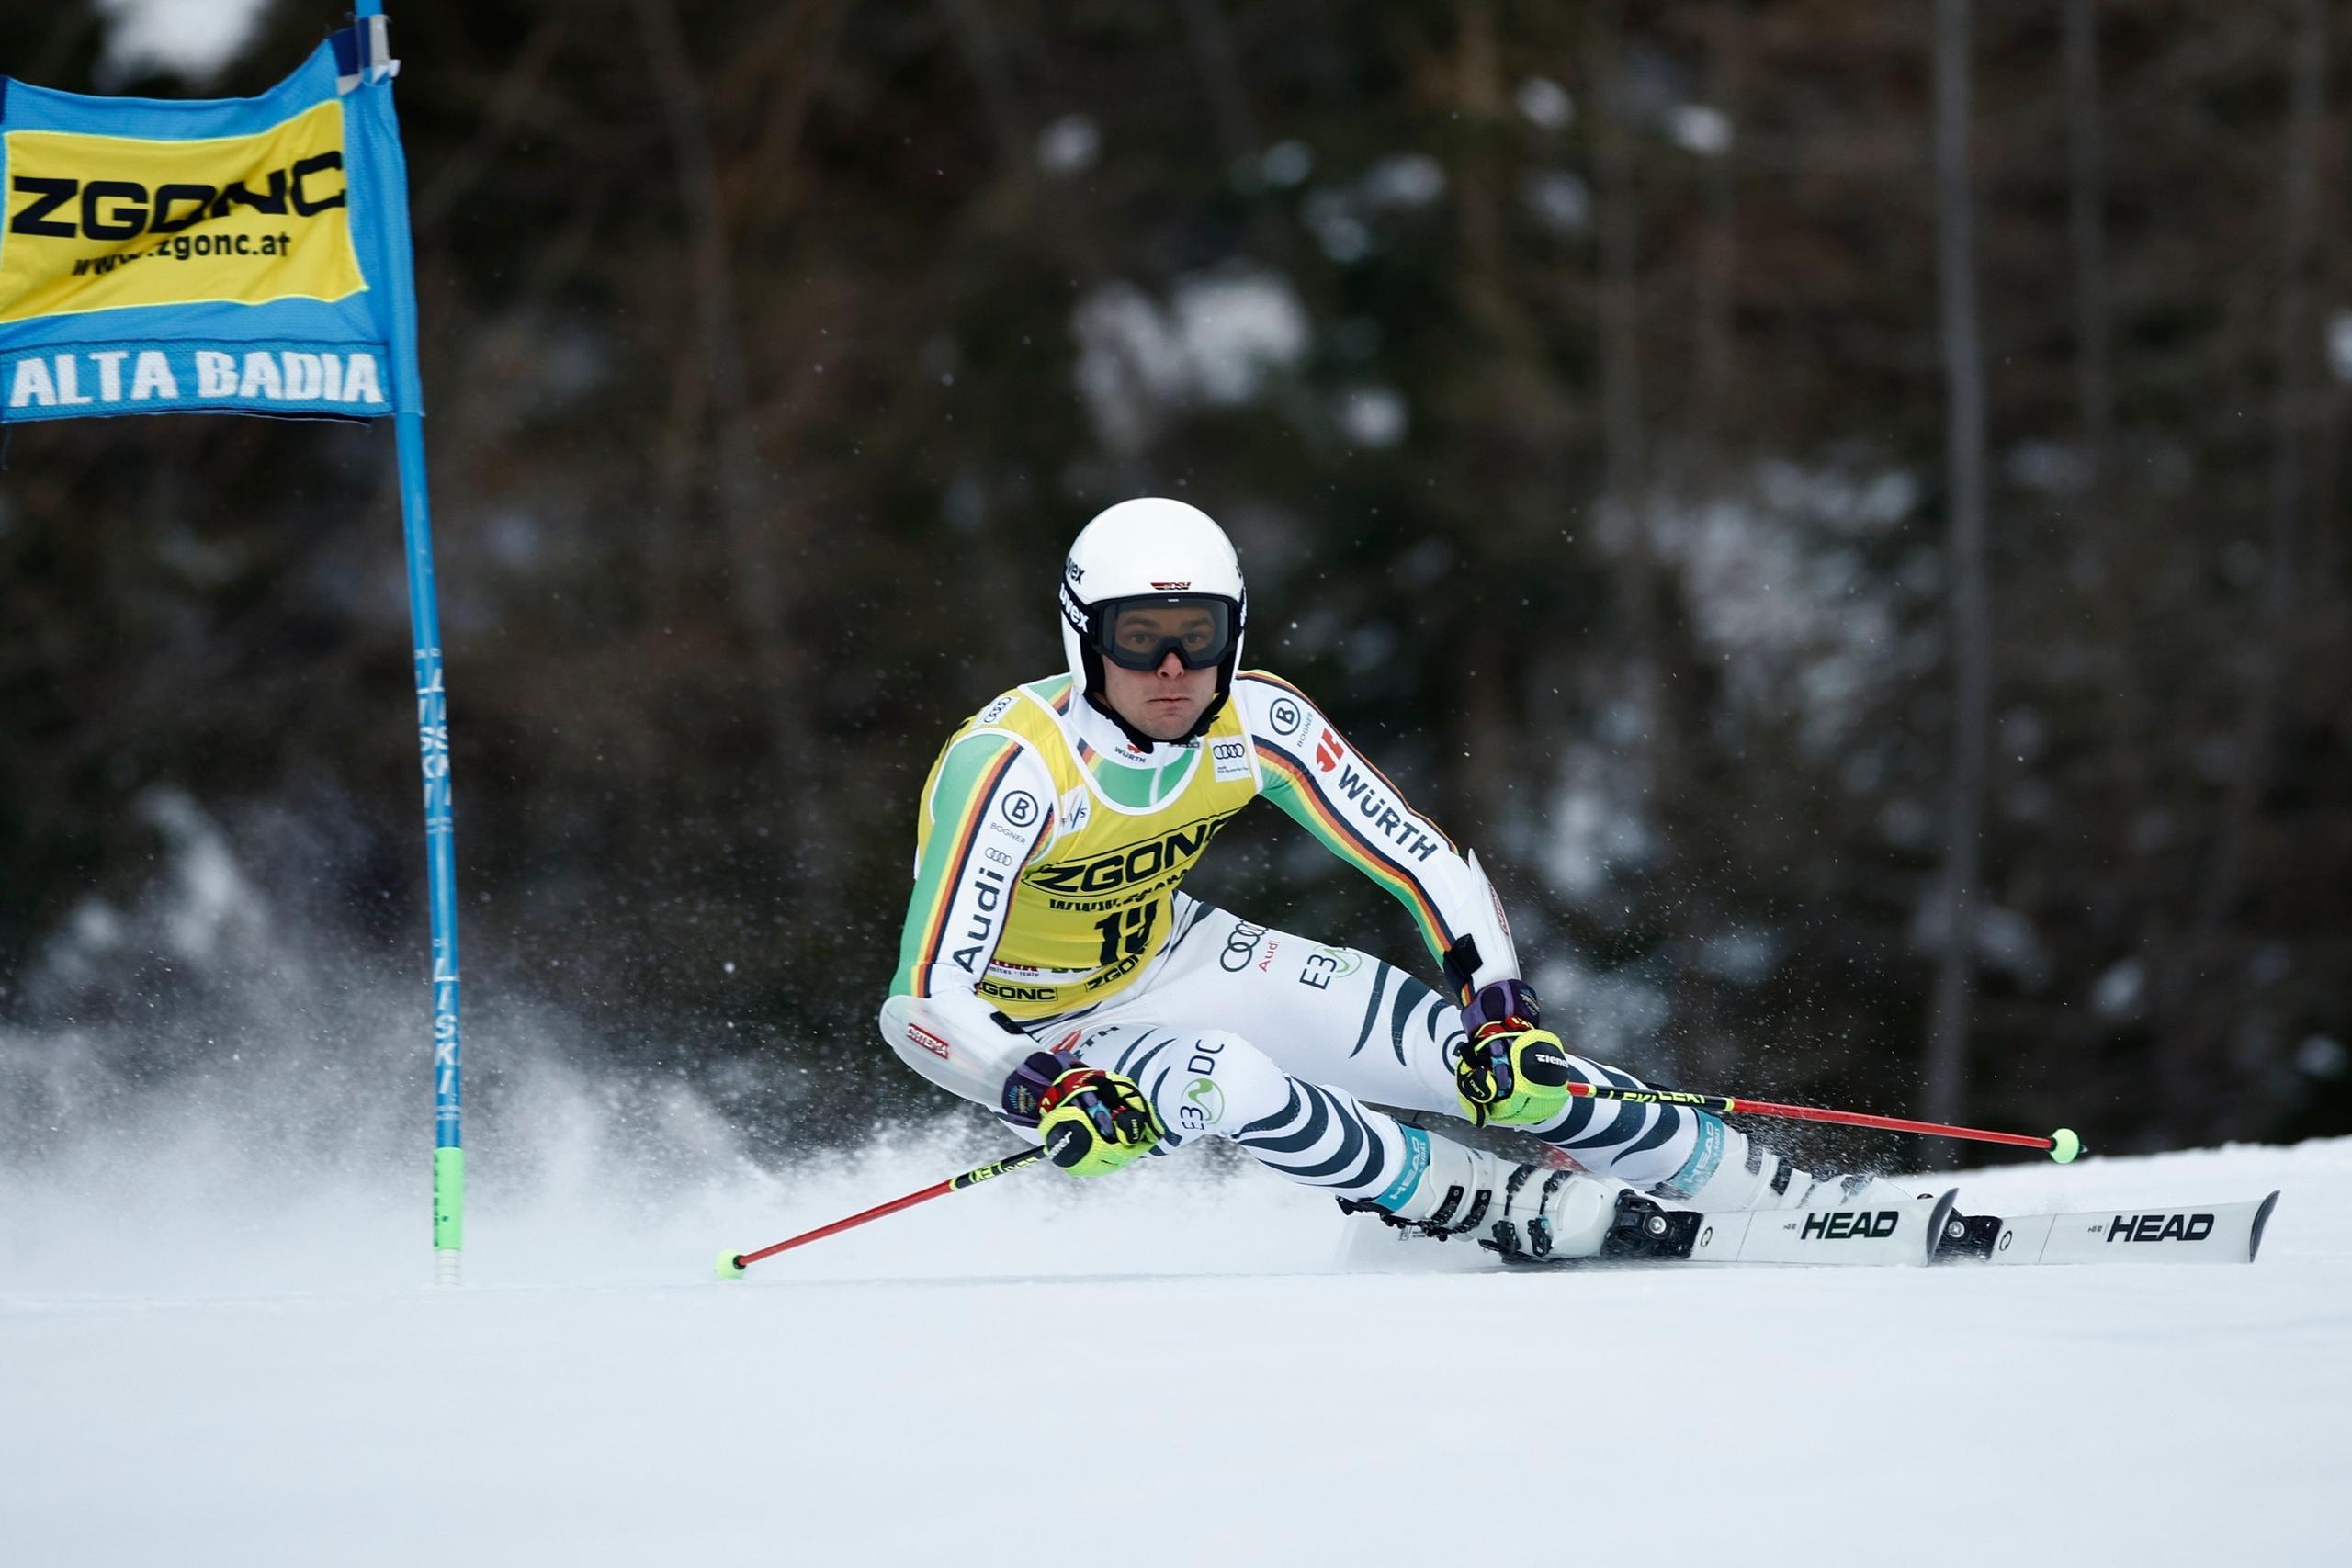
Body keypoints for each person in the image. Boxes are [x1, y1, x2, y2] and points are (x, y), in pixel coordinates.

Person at [877, 498, 1912, 1261]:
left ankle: (1759, 1189)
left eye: (1197, 638)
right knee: (1227, 1078)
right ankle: (1476, 1203)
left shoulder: (1259, 719)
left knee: (1477, 1062)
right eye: (1138, 640)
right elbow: (922, 1004)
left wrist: (1501, 1009)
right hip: (1045, 1037)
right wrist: (1033, 1080)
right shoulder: (1015, 769)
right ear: (1082, 637)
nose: (1171, 671)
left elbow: (1422, 860)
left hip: (1176, 955)